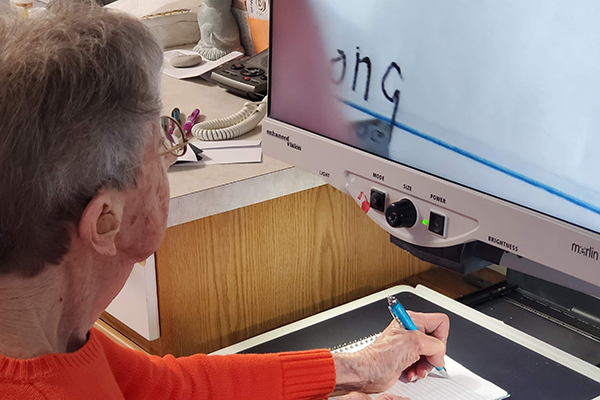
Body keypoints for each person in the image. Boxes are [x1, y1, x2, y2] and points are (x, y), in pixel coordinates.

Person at [0, 2, 450, 399]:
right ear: (103, 221)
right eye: (162, 142)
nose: (172, 151)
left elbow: (164, 389)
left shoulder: (45, 337)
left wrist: (356, 369)